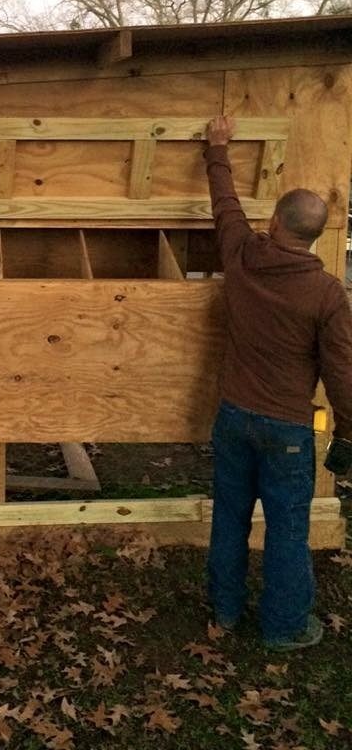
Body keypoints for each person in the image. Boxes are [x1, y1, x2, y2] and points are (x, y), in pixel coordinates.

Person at [204, 114, 352, 651]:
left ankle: (224, 610)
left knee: (229, 517)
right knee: (288, 528)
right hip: (287, 430)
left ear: (273, 221)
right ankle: (285, 626)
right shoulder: (328, 293)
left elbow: (225, 205)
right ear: (315, 236)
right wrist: (346, 434)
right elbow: (342, 374)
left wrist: (217, 148)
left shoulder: (243, 254)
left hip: (233, 416)